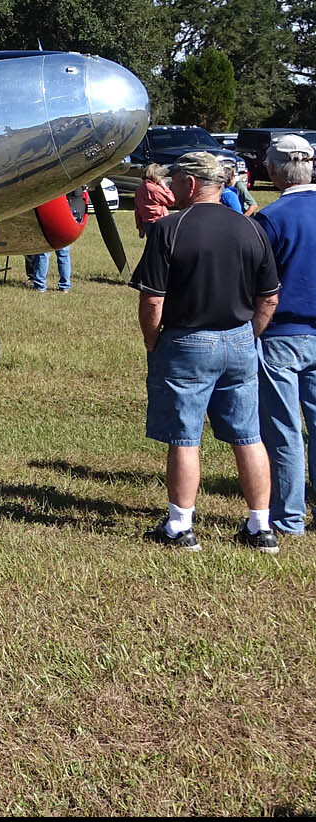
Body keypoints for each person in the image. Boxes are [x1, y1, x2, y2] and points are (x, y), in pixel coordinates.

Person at [130, 151, 280, 552]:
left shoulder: (169, 229)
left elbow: (152, 301)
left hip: (187, 340)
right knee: (248, 435)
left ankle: (180, 525)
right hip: (239, 339)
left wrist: (152, 340)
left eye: (174, 179)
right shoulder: (251, 229)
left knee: (184, 437)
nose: (169, 186)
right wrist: (249, 335)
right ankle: (260, 526)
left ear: (192, 184)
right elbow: (269, 297)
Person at [254, 133, 316, 537]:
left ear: (274, 171)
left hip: (282, 334)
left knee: (284, 430)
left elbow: (259, 285)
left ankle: (289, 517)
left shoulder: (271, 219)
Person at [134, 163, 174, 237]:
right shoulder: (154, 189)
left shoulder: (139, 189)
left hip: (146, 222)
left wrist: (140, 227)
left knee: (152, 245)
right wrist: (164, 187)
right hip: (159, 221)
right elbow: (171, 201)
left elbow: (137, 210)